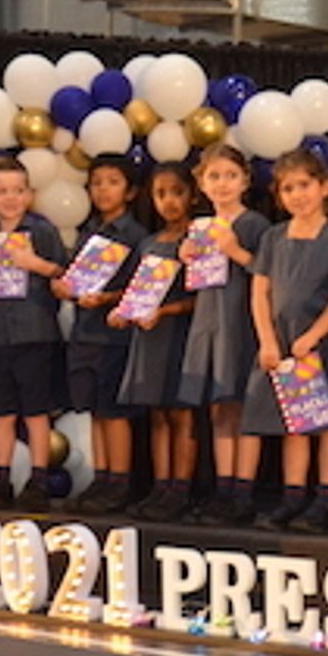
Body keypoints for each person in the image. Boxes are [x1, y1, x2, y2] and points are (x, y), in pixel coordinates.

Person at [242, 150, 328, 533]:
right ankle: (293, 497)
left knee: (327, 422)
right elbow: (260, 293)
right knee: (294, 422)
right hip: (281, 343)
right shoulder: (273, 238)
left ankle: (325, 501)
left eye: (304, 185)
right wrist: (267, 340)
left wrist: (314, 336)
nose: (297, 195)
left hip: (319, 343)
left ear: (324, 187)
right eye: (288, 189)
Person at [179, 143, 268, 525]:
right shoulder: (200, 227)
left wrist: (235, 251)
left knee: (242, 407)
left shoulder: (254, 225)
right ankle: (224, 487)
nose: (222, 183)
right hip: (209, 321)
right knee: (219, 408)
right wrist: (187, 256)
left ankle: (243, 491)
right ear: (201, 183)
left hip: (241, 322)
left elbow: (268, 272)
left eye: (230, 175)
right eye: (214, 176)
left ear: (245, 181)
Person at [0, 156, 66, 510]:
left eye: (18, 190)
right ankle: (2, 478)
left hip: (35, 332)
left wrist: (33, 264)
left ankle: (38, 478)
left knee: (36, 409)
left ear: (29, 194)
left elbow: (64, 274)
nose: (11, 198)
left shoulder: (41, 231)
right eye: (2, 191)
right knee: (3, 410)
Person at [61, 154, 149, 515]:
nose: (103, 190)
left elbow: (142, 287)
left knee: (114, 412)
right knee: (94, 411)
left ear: (130, 191)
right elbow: (73, 279)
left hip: (115, 336)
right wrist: (65, 288)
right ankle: (101, 477)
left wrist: (108, 298)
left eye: (113, 182)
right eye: (97, 183)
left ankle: (120, 481)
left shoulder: (135, 236)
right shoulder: (89, 233)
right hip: (85, 333)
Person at [119, 162, 201, 522]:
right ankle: (160, 485)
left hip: (179, 333)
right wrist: (124, 311)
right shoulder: (149, 244)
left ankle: (181, 488)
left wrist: (165, 311)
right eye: (161, 194)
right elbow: (138, 291)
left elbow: (201, 298)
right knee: (157, 414)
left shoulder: (197, 240)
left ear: (192, 195)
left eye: (177, 192)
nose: (169, 201)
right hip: (149, 337)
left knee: (181, 413)